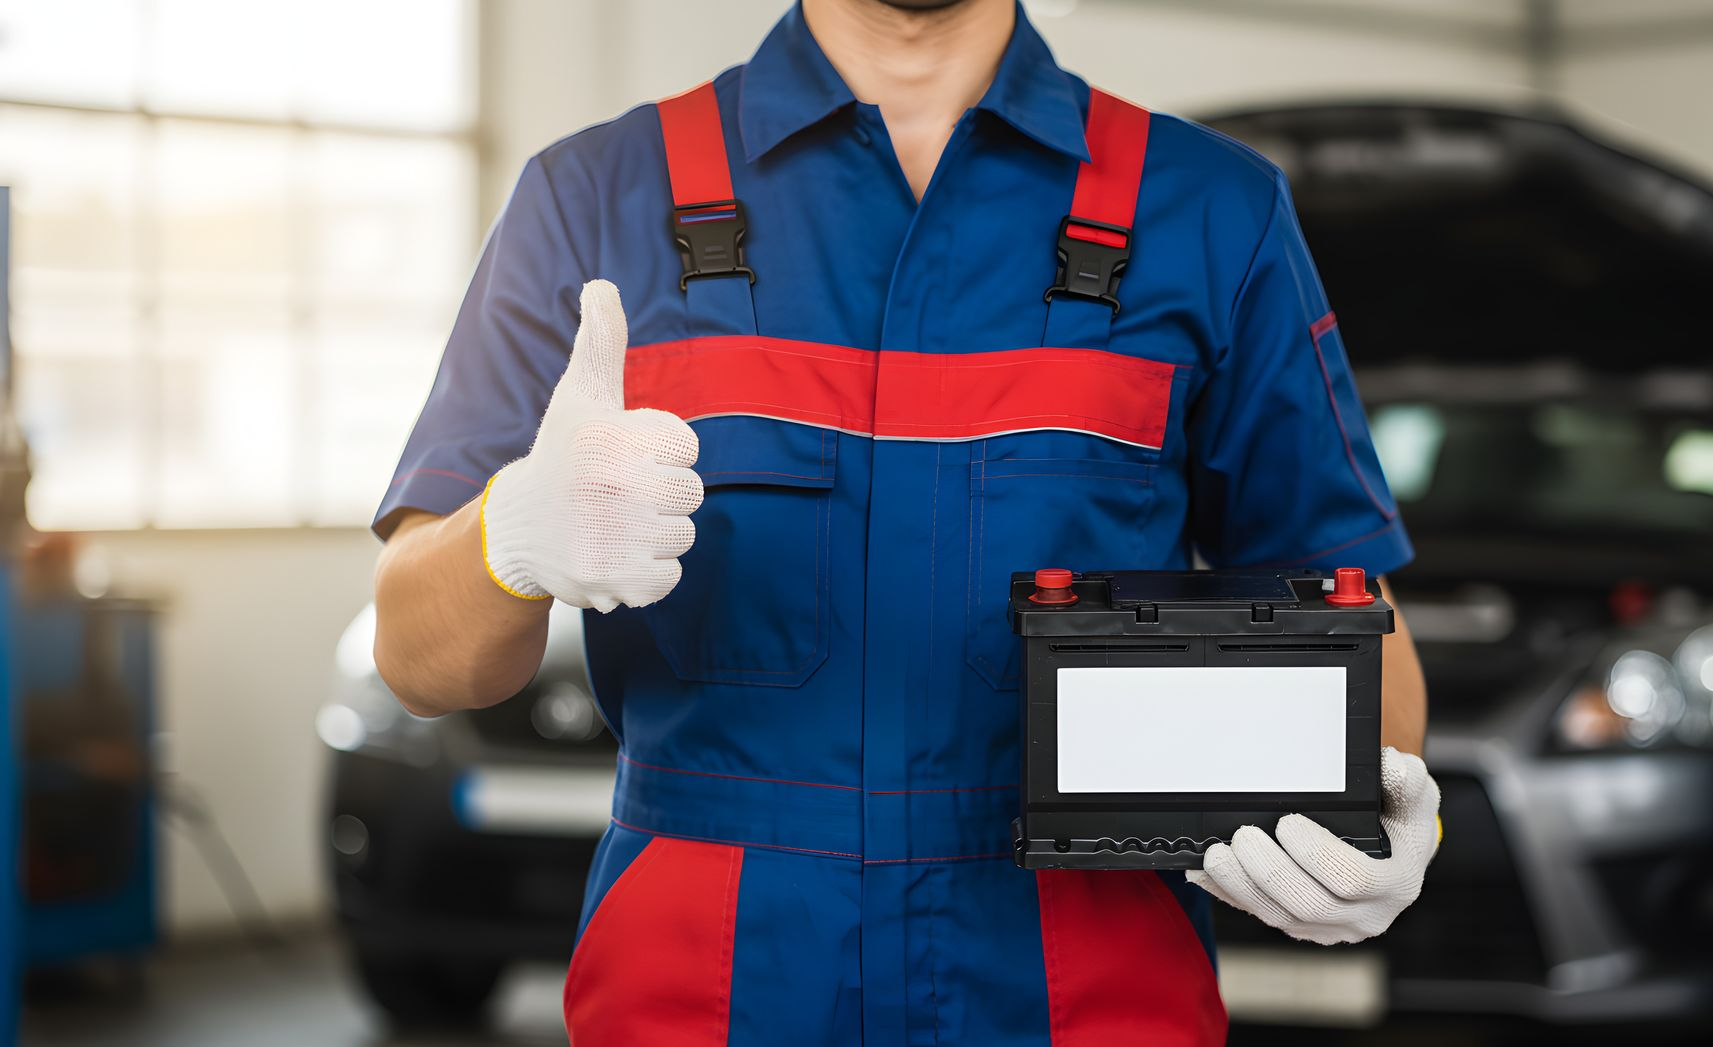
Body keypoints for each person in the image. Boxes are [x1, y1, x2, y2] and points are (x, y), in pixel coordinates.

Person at [371, 0, 1438, 1042]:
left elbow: (1342, 609)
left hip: (1092, 972)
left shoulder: (1210, 209)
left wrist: (1380, 806)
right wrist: (508, 537)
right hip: (704, 977)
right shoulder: (593, 196)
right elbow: (420, 659)